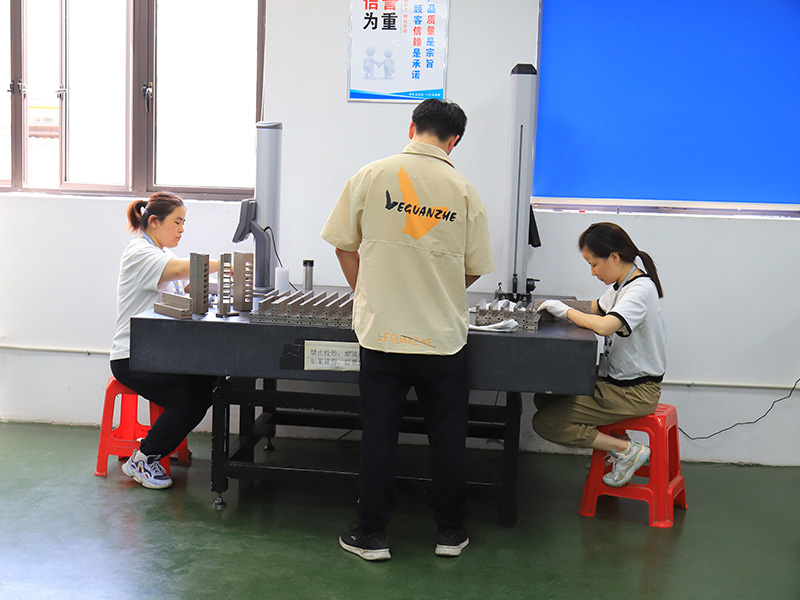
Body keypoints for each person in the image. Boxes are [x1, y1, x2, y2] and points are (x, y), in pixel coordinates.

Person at [320, 99, 494, 561]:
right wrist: (439, 290)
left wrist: (367, 293)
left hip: (383, 334)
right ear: (454, 140)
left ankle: (372, 535)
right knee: (448, 437)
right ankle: (450, 533)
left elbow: (343, 246)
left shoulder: (371, 175)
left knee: (379, 435)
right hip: (443, 338)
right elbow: (475, 267)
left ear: (412, 127)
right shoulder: (464, 191)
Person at [534, 222, 666, 488]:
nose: (593, 272)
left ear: (614, 257)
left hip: (635, 392)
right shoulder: (622, 284)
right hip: (618, 381)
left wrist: (565, 311)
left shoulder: (639, 290)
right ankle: (617, 443)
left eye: (594, 264)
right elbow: (597, 307)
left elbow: (606, 325)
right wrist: (552, 305)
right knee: (545, 396)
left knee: (546, 423)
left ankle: (625, 450)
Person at [110, 191, 219, 490]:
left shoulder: (161, 254)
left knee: (208, 381)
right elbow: (181, 270)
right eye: (177, 222)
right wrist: (224, 264)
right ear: (155, 222)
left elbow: (186, 283)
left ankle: (163, 443)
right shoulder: (139, 253)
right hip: (132, 356)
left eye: (184, 223)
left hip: (158, 353)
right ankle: (143, 458)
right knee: (192, 399)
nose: (181, 229)